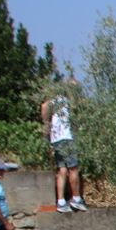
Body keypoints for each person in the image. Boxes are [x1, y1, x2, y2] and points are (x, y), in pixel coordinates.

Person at [41, 84, 87, 212]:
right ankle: (76, 198)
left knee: (62, 170)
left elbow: (44, 106)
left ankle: (61, 201)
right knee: (73, 168)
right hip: (67, 138)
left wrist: (47, 125)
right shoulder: (67, 100)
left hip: (56, 139)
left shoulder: (53, 101)